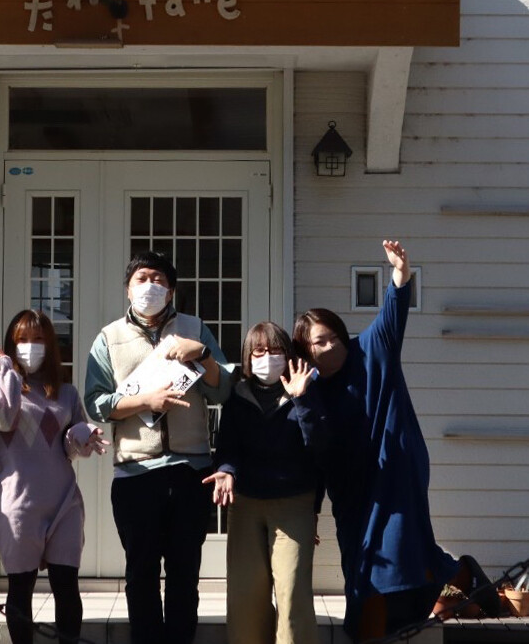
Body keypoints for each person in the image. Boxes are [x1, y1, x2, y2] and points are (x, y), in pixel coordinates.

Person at [292, 240, 499, 641]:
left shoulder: (371, 348)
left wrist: (400, 274)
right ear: (306, 350)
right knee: (366, 559)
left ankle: (383, 628)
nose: (330, 345)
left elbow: (393, 313)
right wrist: (312, 509)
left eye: (334, 335)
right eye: (319, 342)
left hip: (396, 471)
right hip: (351, 490)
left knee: (392, 553)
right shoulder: (311, 389)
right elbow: (316, 451)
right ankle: (461, 573)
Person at [84, 251, 234, 644]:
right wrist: (144, 402)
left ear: (171, 291)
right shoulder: (109, 337)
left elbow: (222, 389)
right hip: (136, 473)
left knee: (185, 574)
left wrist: (202, 354)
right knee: (141, 574)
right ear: (128, 289)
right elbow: (96, 403)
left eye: (158, 279)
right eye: (141, 278)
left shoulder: (194, 329)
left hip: (191, 471)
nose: (149, 286)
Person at [0, 309, 109, 644]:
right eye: (22, 339)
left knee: (67, 585)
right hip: (17, 503)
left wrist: (84, 433)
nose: (30, 346)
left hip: (64, 502)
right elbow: (3, 419)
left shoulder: (66, 393)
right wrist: (6, 371)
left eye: (38, 339)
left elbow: (70, 447)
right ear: (10, 345)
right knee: (21, 587)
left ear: (50, 345)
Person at [203, 322, 324, 644]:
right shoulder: (237, 396)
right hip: (246, 504)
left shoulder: (307, 390)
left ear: (288, 354)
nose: (267, 357)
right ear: (248, 356)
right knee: (246, 596)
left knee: (292, 593)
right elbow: (228, 446)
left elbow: (320, 446)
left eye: (275, 350)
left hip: (294, 503)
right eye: (259, 351)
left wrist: (301, 399)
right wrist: (226, 470)